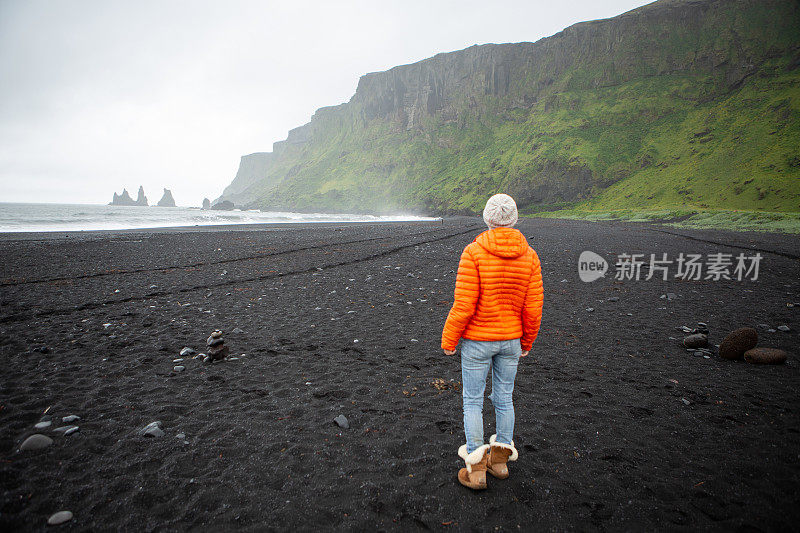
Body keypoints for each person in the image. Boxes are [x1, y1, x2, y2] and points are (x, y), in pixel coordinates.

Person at [441, 193, 544, 490]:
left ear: (488, 219)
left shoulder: (473, 252)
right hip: (511, 340)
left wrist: (450, 338)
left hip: (477, 341)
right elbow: (533, 307)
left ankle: (476, 470)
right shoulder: (530, 256)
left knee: (473, 401)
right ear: (513, 219)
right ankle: (499, 463)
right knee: (504, 398)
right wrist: (527, 341)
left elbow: (464, 304)